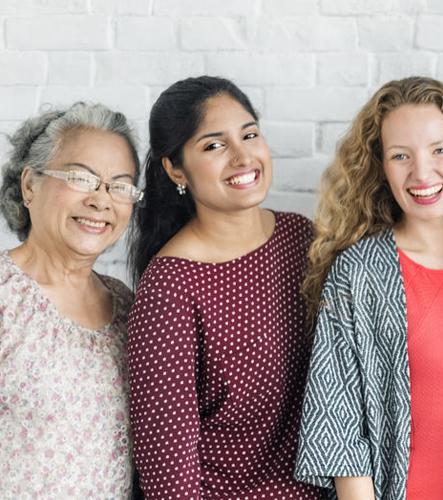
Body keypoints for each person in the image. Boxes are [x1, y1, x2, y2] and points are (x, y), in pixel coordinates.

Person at [295, 77, 443, 499]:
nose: (422, 173)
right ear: (380, 166)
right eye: (401, 156)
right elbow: (340, 430)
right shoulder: (359, 272)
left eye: (439, 150)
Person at [125, 76, 323, 499]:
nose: (243, 156)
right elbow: (168, 476)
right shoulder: (170, 287)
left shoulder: (299, 238)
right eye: (214, 146)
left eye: (249, 134)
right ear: (175, 168)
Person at [0, 102, 142, 498]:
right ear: (30, 185)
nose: (102, 200)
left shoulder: (128, 307)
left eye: (120, 185)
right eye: (82, 178)